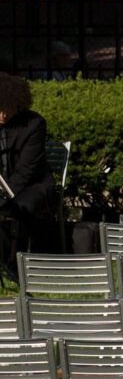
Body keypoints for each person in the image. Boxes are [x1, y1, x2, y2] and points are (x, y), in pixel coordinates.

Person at [0, 73, 61, 275]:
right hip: (4, 185)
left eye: (6, 109)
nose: (2, 115)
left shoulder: (33, 124)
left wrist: (4, 198)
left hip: (32, 185)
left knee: (20, 205)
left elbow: (25, 172)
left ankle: (13, 264)